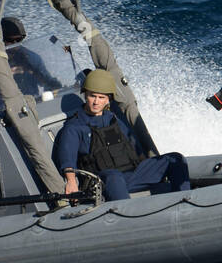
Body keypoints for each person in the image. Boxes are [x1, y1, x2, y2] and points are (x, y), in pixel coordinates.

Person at [52, 69, 190, 201]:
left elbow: (134, 148)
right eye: (92, 96)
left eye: (101, 97)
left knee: (174, 159)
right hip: (102, 182)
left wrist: (149, 166)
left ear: (108, 99)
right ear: (85, 94)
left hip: (132, 176)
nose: (96, 102)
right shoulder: (74, 127)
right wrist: (71, 182)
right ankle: (125, 216)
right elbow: (67, 160)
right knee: (114, 176)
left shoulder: (112, 119)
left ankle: (185, 201)